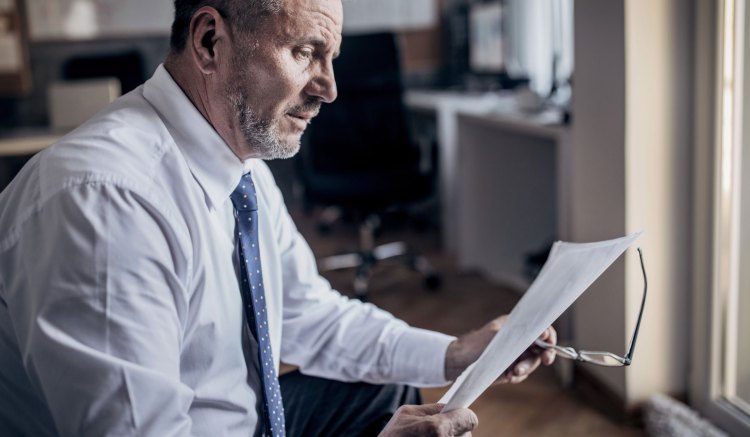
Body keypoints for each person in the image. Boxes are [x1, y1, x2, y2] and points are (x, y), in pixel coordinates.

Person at [0, 0, 556, 435]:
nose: (330, 88)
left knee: (388, 393)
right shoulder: (107, 204)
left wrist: (456, 353)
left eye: (330, 57)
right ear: (210, 41)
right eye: (305, 53)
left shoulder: (240, 165)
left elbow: (306, 313)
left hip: (236, 416)